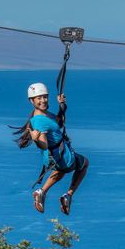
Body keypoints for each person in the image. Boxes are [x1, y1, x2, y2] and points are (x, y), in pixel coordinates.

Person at [12, 82, 89, 214]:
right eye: (39, 98)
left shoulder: (45, 115)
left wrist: (62, 106)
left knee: (60, 171)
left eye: (45, 97)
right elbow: (44, 144)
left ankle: (42, 192)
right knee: (84, 163)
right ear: (32, 101)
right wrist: (36, 140)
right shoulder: (39, 121)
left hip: (54, 157)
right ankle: (68, 195)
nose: (43, 100)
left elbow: (58, 122)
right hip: (61, 156)